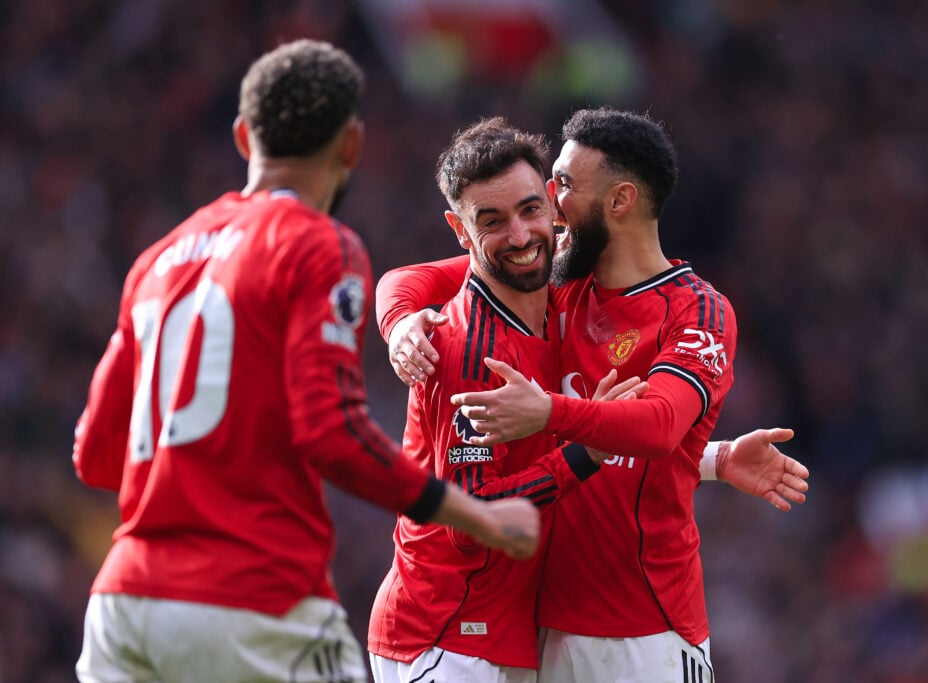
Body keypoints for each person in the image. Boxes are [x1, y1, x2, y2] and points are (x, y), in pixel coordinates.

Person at [71, 40, 540, 683]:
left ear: (243, 137)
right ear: (351, 145)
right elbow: (332, 434)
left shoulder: (156, 260)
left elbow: (94, 457)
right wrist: (478, 516)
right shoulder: (317, 245)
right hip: (256, 602)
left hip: (123, 609)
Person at [376, 108, 810, 682]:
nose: (549, 203)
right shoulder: (552, 283)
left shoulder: (695, 310)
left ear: (619, 201)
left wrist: (711, 458)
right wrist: (399, 321)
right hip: (537, 631)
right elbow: (420, 278)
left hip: (644, 626)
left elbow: (652, 428)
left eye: (562, 186)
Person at [367, 117, 649, 683]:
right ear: (460, 230)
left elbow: (409, 277)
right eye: (491, 222)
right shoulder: (467, 350)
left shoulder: (554, 296)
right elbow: (471, 521)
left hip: (502, 635)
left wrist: (715, 460)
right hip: (446, 636)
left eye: (528, 211)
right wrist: (581, 455)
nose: (519, 237)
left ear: (551, 204)